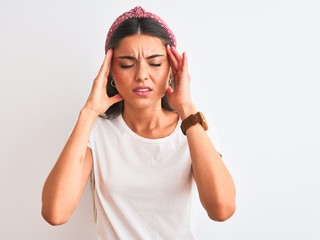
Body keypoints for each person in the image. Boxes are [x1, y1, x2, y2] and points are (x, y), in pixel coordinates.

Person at [41, 6, 236, 239]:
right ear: (110, 71)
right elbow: (55, 213)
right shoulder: (97, 131)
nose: (142, 74)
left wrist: (186, 108)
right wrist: (89, 111)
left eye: (155, 63)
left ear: (171, 69)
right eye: (126, 64)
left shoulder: (194, 126)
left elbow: (222, 209)